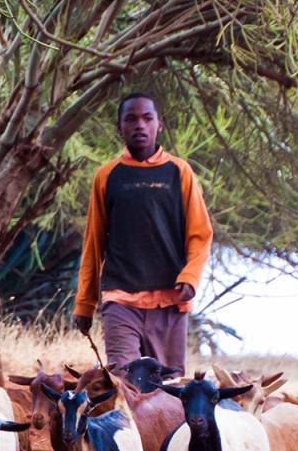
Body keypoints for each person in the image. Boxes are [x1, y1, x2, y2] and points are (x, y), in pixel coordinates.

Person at [72, 92, 213, 371]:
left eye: (147, 119)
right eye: (131, 119)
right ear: (120, 127)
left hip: (170, 302)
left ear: (159, 124)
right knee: (126, 384)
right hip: (121, 300)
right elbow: (94, 244)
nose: (140, 125)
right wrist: (85, 303)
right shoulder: (107, 175)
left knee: (168, 391)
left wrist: (190, 277)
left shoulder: (179, 172)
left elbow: (200, 234)